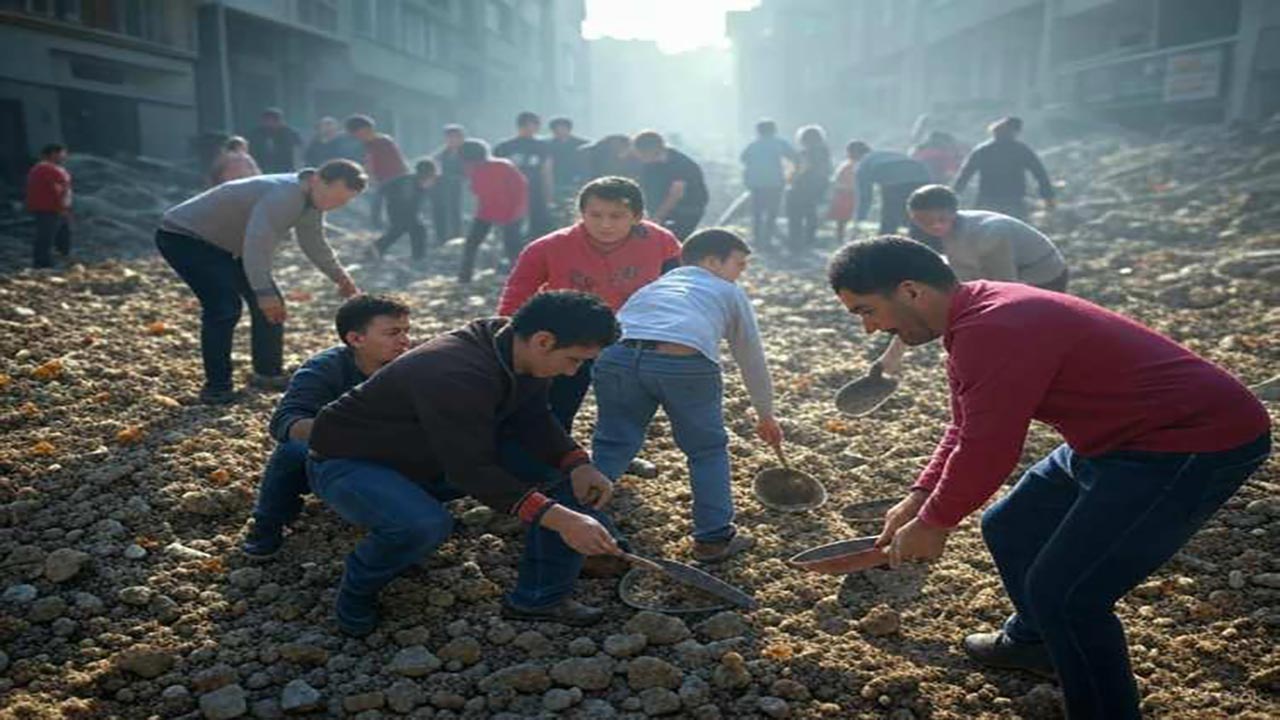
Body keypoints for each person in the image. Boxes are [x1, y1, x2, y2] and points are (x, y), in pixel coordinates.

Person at [827, 237, 1271, 720]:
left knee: (1068, 594)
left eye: (867, 311)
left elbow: (990, 447)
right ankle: (1035, 644)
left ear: (910, 291)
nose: (871, 329)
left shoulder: (995, 326)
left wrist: (936, 522)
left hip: (1188, 441)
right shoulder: (972, 316)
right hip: (1112, 436)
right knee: (1010, 525)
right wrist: (919, 496)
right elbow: (966, 426)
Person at [307, 291, 625, 636]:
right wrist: (562, 520)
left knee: (560, 477)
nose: (572, 371)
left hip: (430, 454)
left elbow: (532, 417)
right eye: (574, 360)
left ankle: (539, 598)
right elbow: (471, 471)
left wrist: (578, 463)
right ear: (543, 340)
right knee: (423, 525)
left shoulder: (517, 346)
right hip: (352, 463)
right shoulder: (454, 371)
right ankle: (356, 590)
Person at [592, 229, 782, 563]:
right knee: (706, 450)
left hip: (617, 358)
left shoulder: (654, 286)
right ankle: (714, 538)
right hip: (684, 361)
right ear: (712, 261)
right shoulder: (727, 290)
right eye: (739, 264)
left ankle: (581, 524)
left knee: (614, 442)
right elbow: (750, 357)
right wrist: (765, 414)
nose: (741, 272)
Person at [155, 159, 365, 404]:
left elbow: (313, 243)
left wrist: (340, 277)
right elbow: (257, 244)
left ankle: (267, 372)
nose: (333, 206)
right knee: (224, 308)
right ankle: (217, 386)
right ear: (317, 179)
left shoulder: (312, 200)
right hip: (184, 238)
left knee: (272, 306)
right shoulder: (285, 195)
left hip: (228, 248)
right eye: (333, 198)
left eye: (342, 203)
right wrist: (263, 292)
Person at [498, 176, 681, 432]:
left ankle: (614, 458)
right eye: (595, 215)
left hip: (632, 335)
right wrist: (509, 341)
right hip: (569, 337)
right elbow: (518, 293)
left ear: (637, 216)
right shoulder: (548, 247)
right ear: (581, 213)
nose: (605, 225)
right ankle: (552, 454)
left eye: (616, 216)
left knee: (627, 404)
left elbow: (679, 286)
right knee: (557, 402)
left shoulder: (662, 242)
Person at [242, 294, 412, 558]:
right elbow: (285, 422)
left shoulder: (414, 365)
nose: (405, 341)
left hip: (398, 455)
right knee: (291, 451)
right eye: (393, 333)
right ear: (356, 339)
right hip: (338, 451)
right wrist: (348, 431)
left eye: (406, 331)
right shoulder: (325, 368)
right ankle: (267, 524)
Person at [908, 184, 1068, 291]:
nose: (934, 226)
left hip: (1043, 275)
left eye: (941, 219)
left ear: (953, 212)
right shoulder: (942, 233)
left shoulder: (990, 231)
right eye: (924, 222)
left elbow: (1006, 285)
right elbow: (962, 273)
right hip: (996, 274)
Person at [954, 116, 1055, 221]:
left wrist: (952, 197)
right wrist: (1048, 197)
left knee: (984, 233)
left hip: (987, 200)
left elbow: (964, 176)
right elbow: (1040, 174)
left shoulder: (983, 150)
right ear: (1014, 132)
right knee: (1014, 232)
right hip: (1013, 201)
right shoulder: (1021, 150)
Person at [458, 139, 528, 283]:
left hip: (510, 211)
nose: (470, 165)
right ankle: (464, 278)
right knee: (471, 243)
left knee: (513, 247)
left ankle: (522, 279)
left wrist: (518, 211)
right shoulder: (473, 169)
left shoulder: (504, 166)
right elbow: (476, 190)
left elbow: (521, 189)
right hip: (486, 211)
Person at [633, 130, 709, 241]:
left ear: (651, 150)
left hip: (688, 209)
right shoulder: (648, 165)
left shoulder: (680, 163)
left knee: (674, 240)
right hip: (660, 210)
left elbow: (676, 194)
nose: (639, 157)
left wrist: (658, 217)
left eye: (641, 153)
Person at [494, 111, 554, 241]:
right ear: (522, 125)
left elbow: (546, 170)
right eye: (532, 125)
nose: (534, 129)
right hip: (511, 192)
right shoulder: (504, 147)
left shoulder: (542, 146)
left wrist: (548, 193)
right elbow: (497, 172)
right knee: (511, 224)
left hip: (535, 190)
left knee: (539, 224)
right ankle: (512, 254)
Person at [848, 141, 932, 235]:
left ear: (854, 155)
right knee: (915, 213)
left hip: (895, 180)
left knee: (889, 218)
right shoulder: (885, 154)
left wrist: (859, 219)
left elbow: (865, 196)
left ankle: (885, 245)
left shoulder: (863, 164)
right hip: (922, 176)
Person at [739, 119, 798, 247]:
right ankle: (768, 239)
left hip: (756, 183)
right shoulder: (780, 143)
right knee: (772, 212)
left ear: (758, 131)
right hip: (775, 182)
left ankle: (757, 239)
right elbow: (794, 156)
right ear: (774, 130)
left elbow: (743, 158)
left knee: (757, 212)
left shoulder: (754, 144)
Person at [369, 159, 438, 265]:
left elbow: (419, 202)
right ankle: (418, 256)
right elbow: (406, 203)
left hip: (403, 208)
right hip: (397, 207)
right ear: (425, 175)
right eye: (432, 177)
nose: (433, 181)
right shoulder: (408, 183)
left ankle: (417, 256)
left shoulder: (416, 181)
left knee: (408, 229)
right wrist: (376, 214)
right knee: (407, 228)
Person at [345, 114, 408, 229]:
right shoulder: (366, 145)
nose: (357, 137)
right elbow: (368, 163)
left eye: (358, 133)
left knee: (393, 206)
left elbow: (398, 164)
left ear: (366, 130)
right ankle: (379, 227)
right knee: (376, 205)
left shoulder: (384, 142)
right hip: (381, 180)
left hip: (395, 179)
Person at [26, 143, 73, 269]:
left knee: (61, 236)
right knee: (46, 237)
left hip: (55, 208)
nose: (65, 156)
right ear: (53, 154)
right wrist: (61, 207)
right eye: (62, 153)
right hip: (49, 208)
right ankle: (42, 264)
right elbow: (55, 189)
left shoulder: (52, 168)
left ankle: (58, 261)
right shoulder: (45, 169)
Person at [786, 125, 832, 250]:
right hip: (818, 186)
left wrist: (791, 180)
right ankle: (809, 240)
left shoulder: (805, 153)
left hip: (802, 186)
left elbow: (801, 169)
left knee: (795, 215)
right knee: (811, 213)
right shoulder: (825, 152)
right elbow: (827, 170)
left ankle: (794, 241)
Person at [431, 124, 467, 243]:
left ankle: (457, 237)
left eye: (455, 137)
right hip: (441, 186)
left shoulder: (468, 152)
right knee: (439, 210)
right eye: (449, 137)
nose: (452, 140)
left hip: (460, 186)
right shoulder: (441, 154)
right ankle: (440, 237)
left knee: (455, 211)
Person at [246, 107, 302, 174]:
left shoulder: (290, 133)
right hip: (262, 169)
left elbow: (297, 151)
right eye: (267, 120)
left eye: (274, 120)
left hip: (286, 168)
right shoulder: (256, 134)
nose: (269, 123)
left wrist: (297, 168)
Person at [547, 116, 589, 202]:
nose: (560, 131)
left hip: (576, 181)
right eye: (556, 129)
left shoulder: (581, 145)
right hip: (554, 181)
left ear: (569, 129)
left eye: (563, 128)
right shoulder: (546, 145)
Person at [828, 141, 859, 244]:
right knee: (847, 219)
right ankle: (849, 238)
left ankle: (842, 239)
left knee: (842, 220)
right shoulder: (853, 166)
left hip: (844, 194)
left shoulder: (845, 165)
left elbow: (836, 181)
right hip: (849, 194)